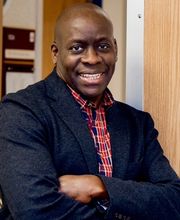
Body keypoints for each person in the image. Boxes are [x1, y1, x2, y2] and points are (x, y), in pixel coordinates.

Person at [0, 3, 180, 220]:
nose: (92, 58)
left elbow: (174, 200)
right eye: (77, 48)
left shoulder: (138, 123)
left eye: (103, 46)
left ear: (115, 48)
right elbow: (34, 211)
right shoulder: (21, 111)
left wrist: (98, 185)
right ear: (56, 53)